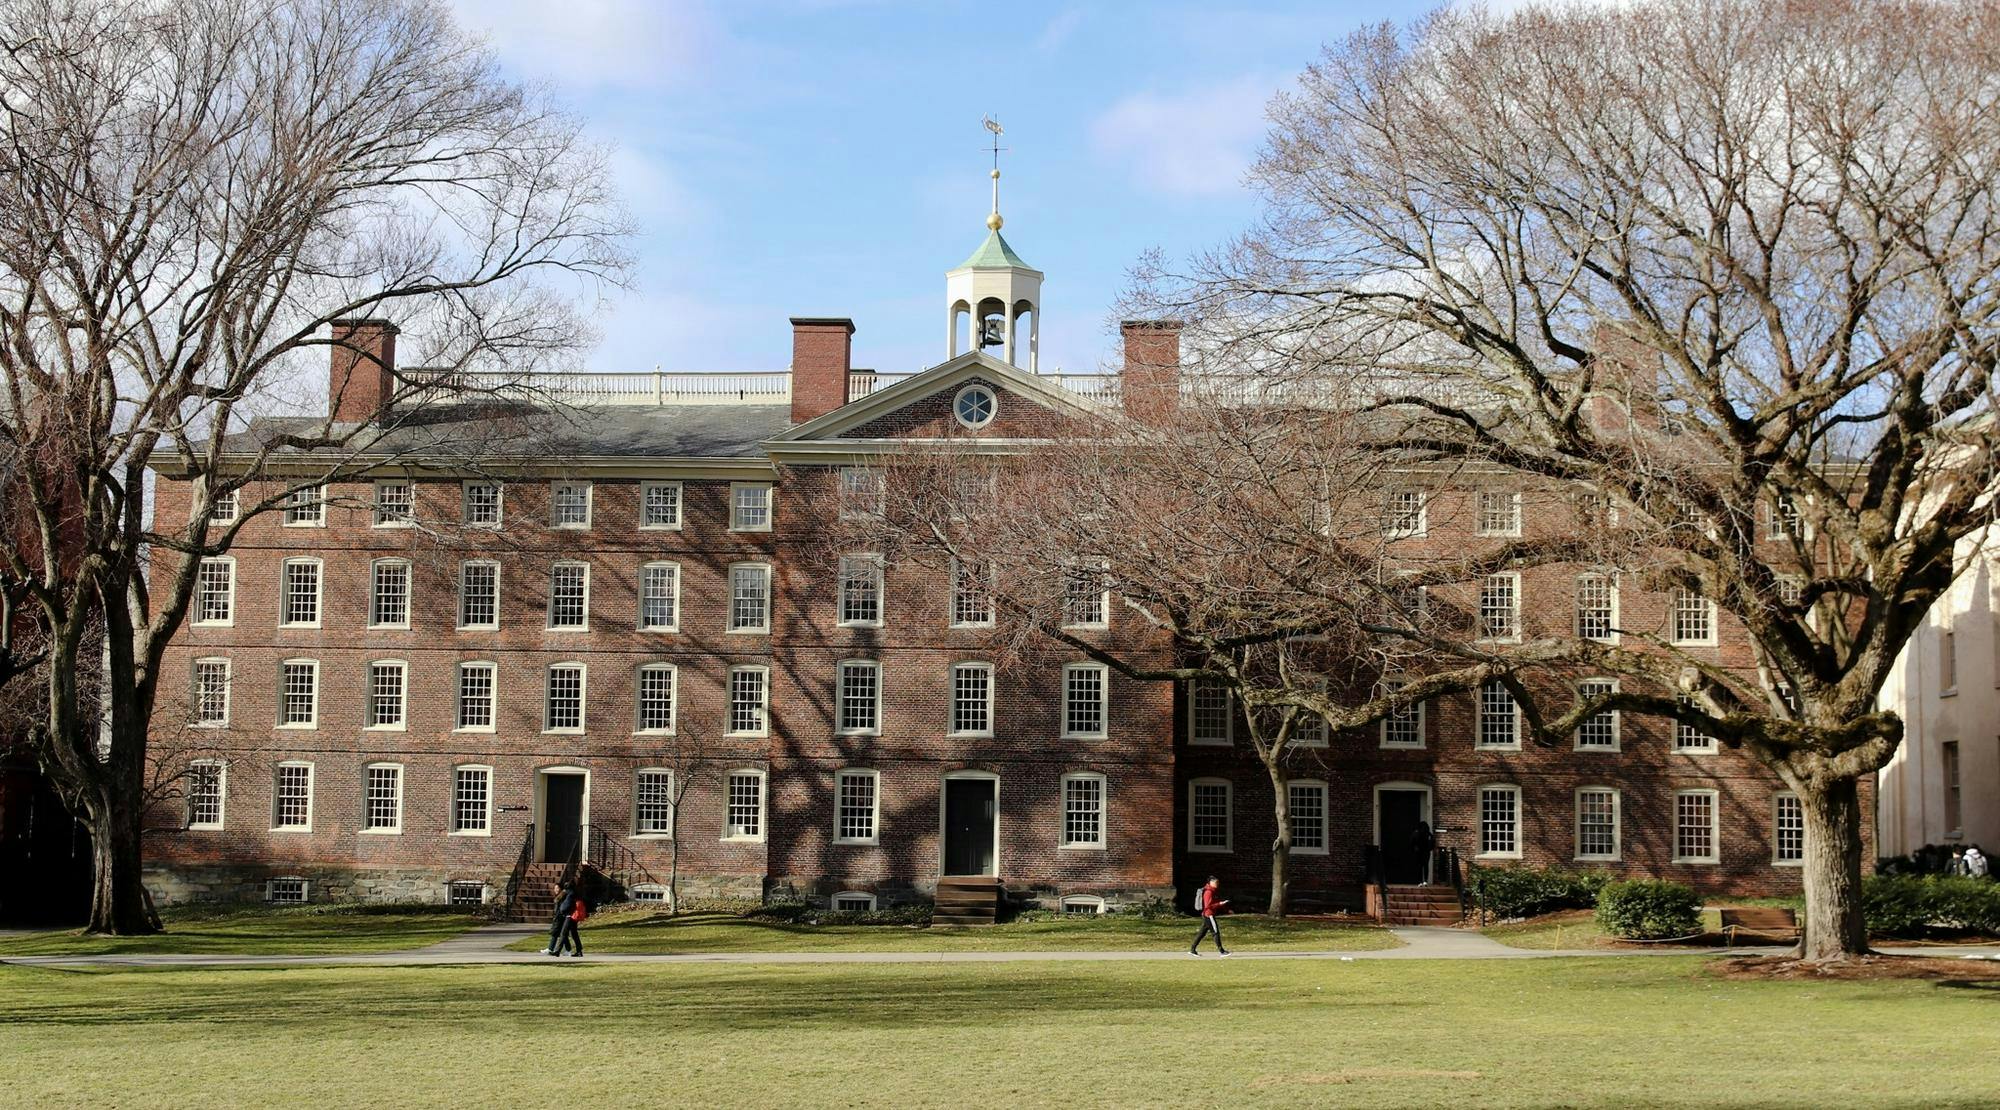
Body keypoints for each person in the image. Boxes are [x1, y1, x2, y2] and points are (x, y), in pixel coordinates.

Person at [1189, 876, 1229, 957]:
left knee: (1201, 933)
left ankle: (1192, 950)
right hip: (1209, 914)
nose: (1217, 884)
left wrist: (1224, 907)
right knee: (1215, 932)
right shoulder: (1209, 892)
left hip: (1206, 914)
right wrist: (1220, 904)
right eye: (1216, 882)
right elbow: (1208, 905)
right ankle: (1222, 951)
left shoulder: (1212, 891)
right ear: (1210, 882)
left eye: (1217, 882)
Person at [542, 881, 576, 956]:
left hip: (560, 917)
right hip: (559, 917)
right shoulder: (560, 896)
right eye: (555, 888)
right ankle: (568, 950)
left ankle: (551, 948)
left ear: (561, 888)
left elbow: (562, 908)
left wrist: (558, 915)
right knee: (562, 935)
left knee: (556, 933)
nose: (556, 889)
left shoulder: (562, 896)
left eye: (557, 888)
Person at [554, 889, 590, 957]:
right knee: (574, 934)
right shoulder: (576, 893)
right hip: (574, 916)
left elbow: (565, 907)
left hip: (570, 916)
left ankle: (557, 951)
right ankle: (579, 951)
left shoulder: (569, 893)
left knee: (563, 933)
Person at [1410, 819, 1436, 886]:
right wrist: (1430, 849)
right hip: (1426, 852)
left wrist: (1414, 848)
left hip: (1419, 852)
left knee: (1419, 866)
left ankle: (1420, 881)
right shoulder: (1429, 834)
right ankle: (1425, 880)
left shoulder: (1416, 833)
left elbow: (1412, 842)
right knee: (1426, 866)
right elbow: (1433, 842)